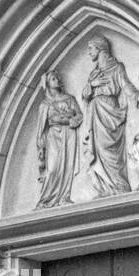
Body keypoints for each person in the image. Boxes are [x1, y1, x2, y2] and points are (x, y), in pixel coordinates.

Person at [81, 34, 139, 195]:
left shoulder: (117, 67)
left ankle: (119, 185)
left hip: (110, 112)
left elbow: (125, 84)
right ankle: (104, 187)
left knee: (110, 150)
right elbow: (85, 96)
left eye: (91, 48)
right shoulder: (93, 74)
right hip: (95, 114)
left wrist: (138, 96)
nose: (89, 52)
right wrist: (91, 85)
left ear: (100, 48)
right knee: (99, 150)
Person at [36, 71, 83, 208]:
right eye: (53, 79)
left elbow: (79, 115)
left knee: (68, 165)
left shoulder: (69, 99)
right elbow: (41, 128)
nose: (57, 80)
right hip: (53, 136)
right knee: (52, 168)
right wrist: (40, 146)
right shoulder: (44, 104)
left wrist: (69, 120)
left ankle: (64, 197)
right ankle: (46, 199)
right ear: (47, 84)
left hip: (69, 133)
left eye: (57, 78)